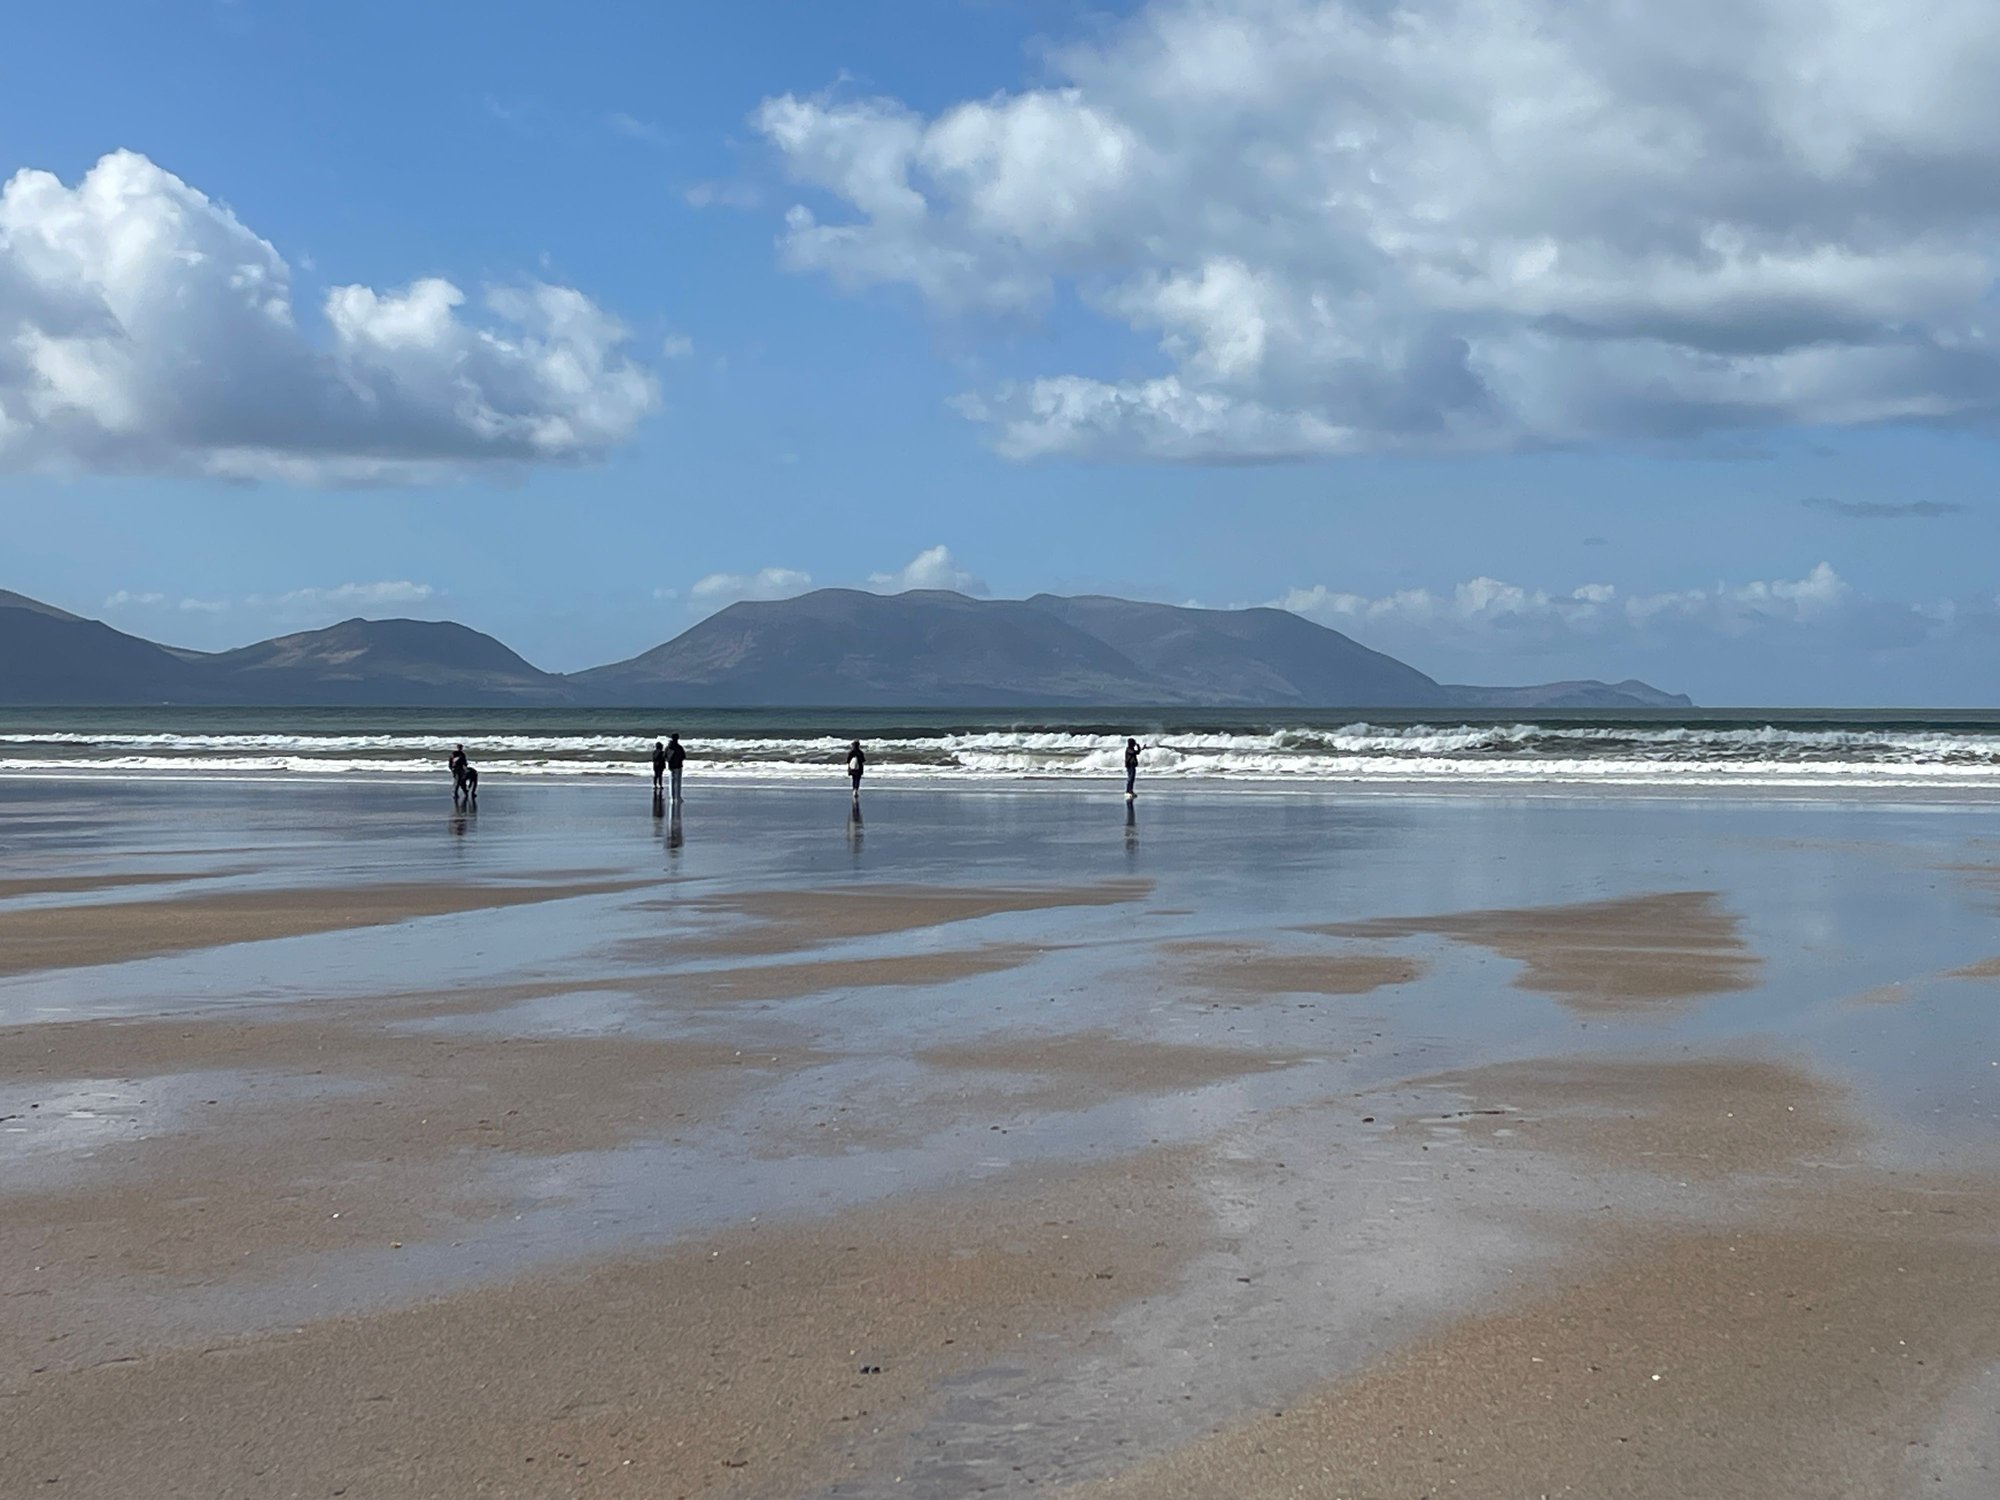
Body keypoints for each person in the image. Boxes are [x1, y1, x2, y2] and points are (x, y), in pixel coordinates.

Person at [666, 732, 686, 802]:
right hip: (678, 766)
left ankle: (672, 797)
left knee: (671, 781)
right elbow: (683, 756)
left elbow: (664, 756)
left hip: (671, 766)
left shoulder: (668, 747)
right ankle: (678, 796)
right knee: (678, 782)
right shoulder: (679, 747)